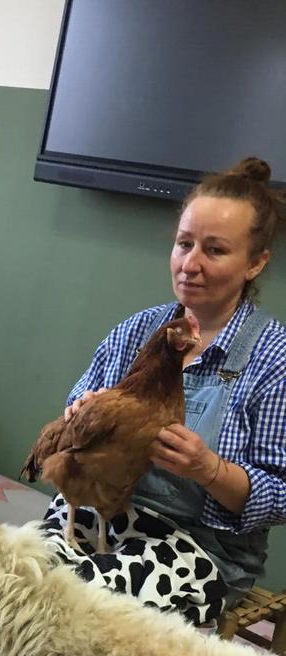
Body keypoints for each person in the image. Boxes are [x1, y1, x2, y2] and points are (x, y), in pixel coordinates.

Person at [42, 157, 286, 626]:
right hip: (99, 510)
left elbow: (281, 493)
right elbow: (73, 415)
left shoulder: (275, 361)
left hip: (201, 547)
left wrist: (210, 469)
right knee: (16, 573)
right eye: (184, 243)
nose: (190, 264)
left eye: (215, 250)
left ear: (255, 263)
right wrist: (79, 413)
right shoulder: (137, 331)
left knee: (77, 606)